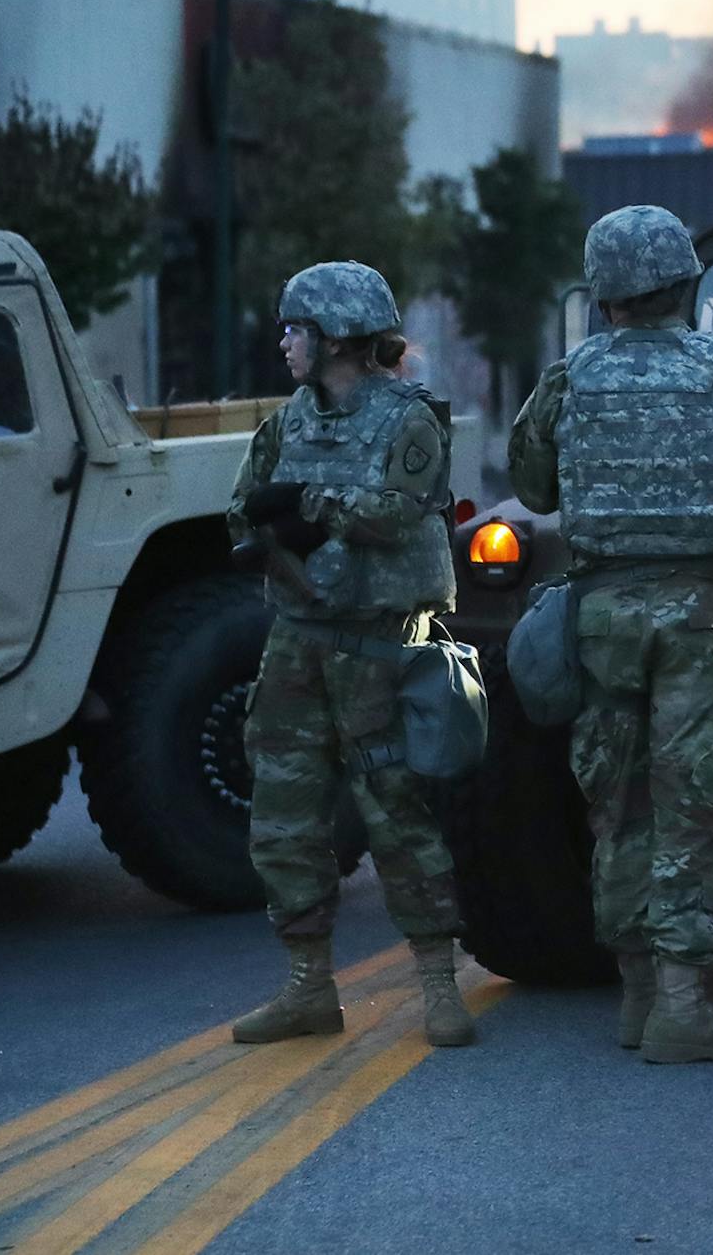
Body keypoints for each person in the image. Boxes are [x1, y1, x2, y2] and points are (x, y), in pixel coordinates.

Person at [509, 205, 713, 1063]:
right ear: (686, 283)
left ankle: (638, 996)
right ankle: (681, 1004)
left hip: (601, 614)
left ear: (602, 294)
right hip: (701, 615)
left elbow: (532, 486)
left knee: (618, 803)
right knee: (692, 802)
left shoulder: (566, 379)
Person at [228, 261, 474, 1048]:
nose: (284, 342)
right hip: (298, 643)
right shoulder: (286, 422)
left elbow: (398, 513)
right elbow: (243, 506)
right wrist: (262, 535)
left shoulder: (410, 418)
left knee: (397, 815)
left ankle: (439, 980)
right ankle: (307, 985)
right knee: (284, 816)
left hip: (378, 645)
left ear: (336, 334)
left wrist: (309, 507)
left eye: (295, 328)